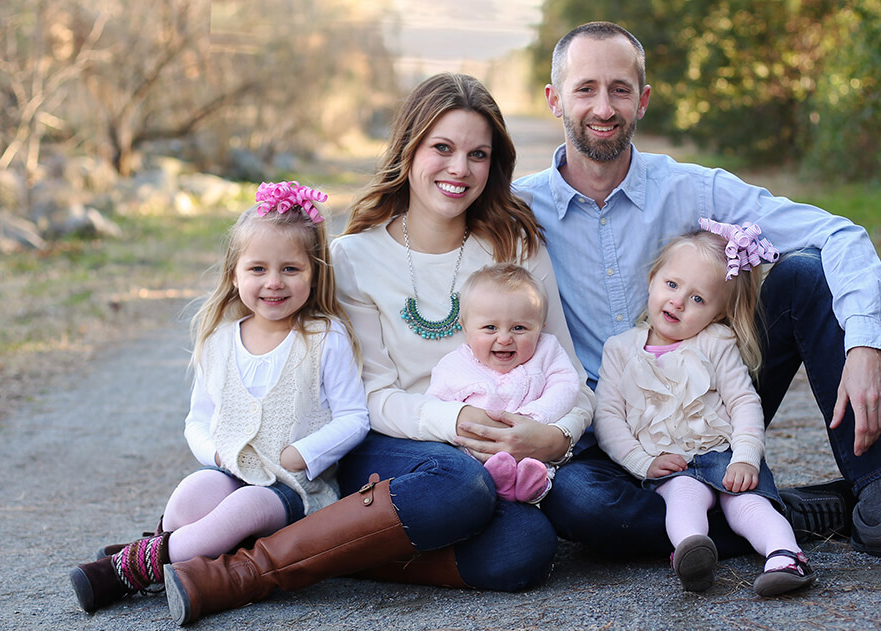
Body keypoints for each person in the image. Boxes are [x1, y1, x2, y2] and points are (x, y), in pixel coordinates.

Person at [513, 21, 881, 577]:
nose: (604, 106)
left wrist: (865, 347)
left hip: (710, 400)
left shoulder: (692, 188)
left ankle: (880, 499)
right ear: (554, 100)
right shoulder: (516, 210)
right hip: (608, 430)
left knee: (804, 275)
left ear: (642, 100)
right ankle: (782, 513)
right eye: (585, 89)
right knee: (581, 508)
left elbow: (838, 235)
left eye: (620, 89)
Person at [161, 73, 594, 625]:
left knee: (526, 545)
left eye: (477, 154)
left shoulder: (516, 246)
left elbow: (571, 379)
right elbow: (373, 396)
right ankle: (241, 574)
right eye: (442, 147)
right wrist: (453, 420)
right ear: (409, 150)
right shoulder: (354, 257)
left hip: (495, 454)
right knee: (461, 485)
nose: (459, 168)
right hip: (388, 447)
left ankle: (327, 543)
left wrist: (554, 435)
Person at [68, 181, 369, 613]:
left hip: (292, 490)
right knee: (191, 495)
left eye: (290, 269)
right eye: (258, 269)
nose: (273, 283)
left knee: (244, 506)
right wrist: (218, 455)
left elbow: (354, 417)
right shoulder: (219, 341)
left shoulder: (324, 337)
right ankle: (179, 559)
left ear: (315, 272)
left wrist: (301, 454)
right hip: (233, 472)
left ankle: (126, 569)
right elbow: (197, 421)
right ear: (235, 273)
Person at [596, 221, 815, 597]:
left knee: (747, 505)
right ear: (652, 279)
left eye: (698, 299)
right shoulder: (619, 350)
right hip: (670, 462)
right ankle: (693, 555)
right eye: (672, 285)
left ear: (718, 313)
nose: (678, 301)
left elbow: (744, 401)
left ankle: (785, 557)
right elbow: (608, 417)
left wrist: (745, 457)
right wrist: (640, 462)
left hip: (723, 454)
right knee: (682, 499)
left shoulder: (716, 342)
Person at [426, 263, 582, 504]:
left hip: (534, 448)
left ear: (539, 328)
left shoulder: (547, 350)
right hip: (477, 456)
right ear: (466, 330)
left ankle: (533, 486)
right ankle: (499, 480)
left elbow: (566, 385)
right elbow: (434, 407)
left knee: (539, 470)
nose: (505, 338)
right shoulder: (453, 366)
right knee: (473, 465)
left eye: (519, 328)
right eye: (490, 327)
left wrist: (535, 416)